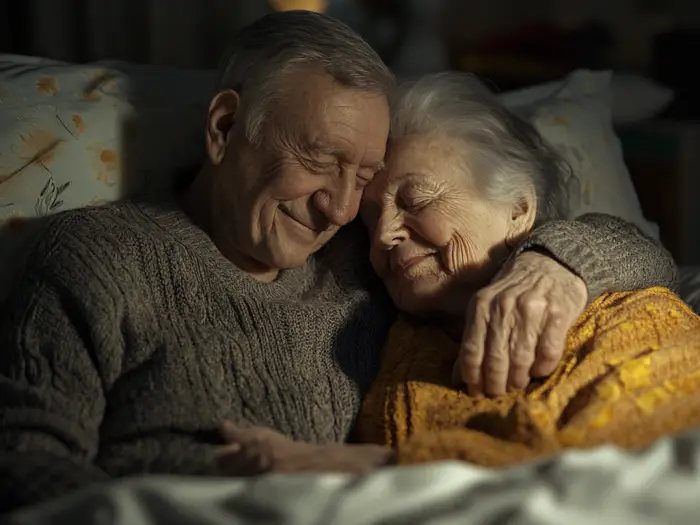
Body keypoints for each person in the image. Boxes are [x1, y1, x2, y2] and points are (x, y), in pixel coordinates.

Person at [0, 13, 675, 514]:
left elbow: (652, 261)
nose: (341, 207)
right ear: (225, 129)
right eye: (320, 160)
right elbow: (23, 458)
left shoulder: (367, 265)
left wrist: (556, 261)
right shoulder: (98, 257)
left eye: (366, 175)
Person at [353, 72, 700, 467]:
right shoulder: (391, 347)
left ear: (518, 207)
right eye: (368, 220)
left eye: (416, 200)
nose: (382, 235)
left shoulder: (621, 314)